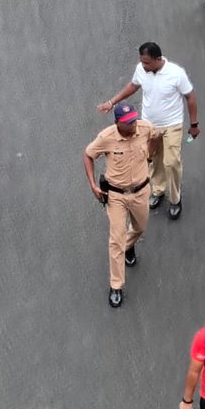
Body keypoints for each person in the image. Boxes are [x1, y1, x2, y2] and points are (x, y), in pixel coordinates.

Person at [96, 42, 198, 220]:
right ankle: (158, 190)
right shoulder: (141, 70)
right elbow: (133, 86)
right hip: (149, 126)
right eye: (142, 63)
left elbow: (190, 97)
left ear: (159, 59)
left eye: (147, 63)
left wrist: (194, 124)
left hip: (172, 124)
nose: (144, 66)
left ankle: (175, 198)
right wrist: (112, 102)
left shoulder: (176, 73)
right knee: (153, 159)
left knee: (171, 162)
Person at [83, 103, 159, 308]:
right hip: (116, 195)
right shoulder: (106, 137)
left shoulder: (144, 128)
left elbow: (155, 137)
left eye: (134, 119)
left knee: (140, 227)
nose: (133, 124)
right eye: (127, 122)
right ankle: (116, 285)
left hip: (141, 191)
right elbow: (88, 154)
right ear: (117, 123)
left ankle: (130, 245)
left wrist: (150, 155)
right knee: (116, 239)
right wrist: (92, 185)